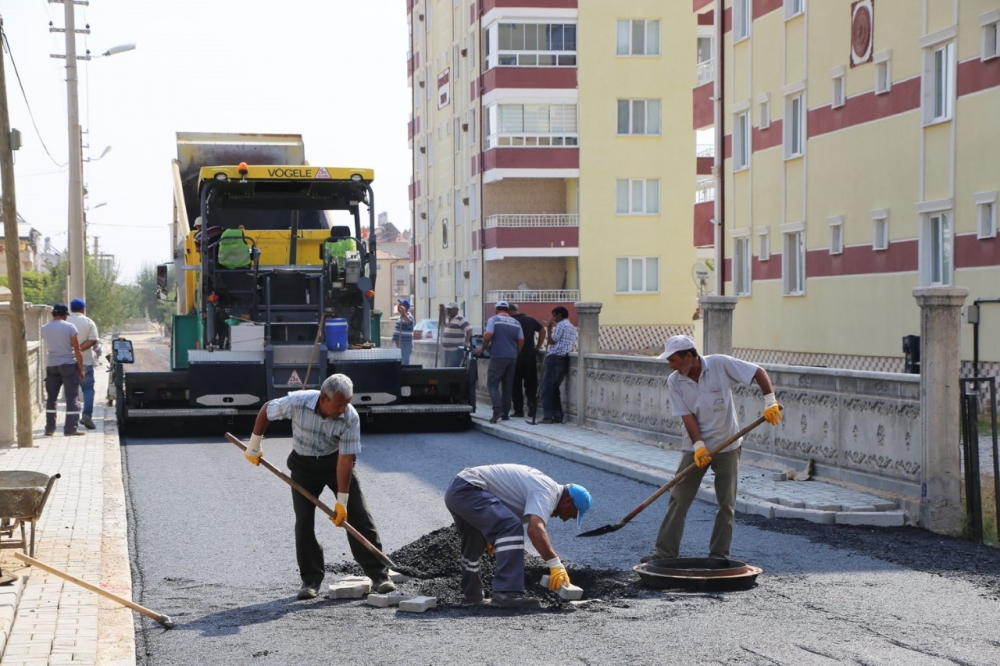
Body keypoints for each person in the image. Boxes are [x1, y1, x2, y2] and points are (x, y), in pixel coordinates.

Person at [245, 373, 396, 600]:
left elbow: (345, 460)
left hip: (335, 463)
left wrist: (341, 502)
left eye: (347, 403)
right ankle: (310, 580)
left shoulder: (350, 417)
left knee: (359, 515)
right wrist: (254, 444)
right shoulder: (298, 402)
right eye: (339, 404)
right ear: (324, 399)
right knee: (304, 522)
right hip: (303, 467)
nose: (344, 409)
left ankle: (379, 575)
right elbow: (267, 409)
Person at [644, 335, 783, 563]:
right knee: (679, 498)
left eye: (673, 360)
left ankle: (719, 556)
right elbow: (687, 416)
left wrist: (770, 401)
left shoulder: (720, 364)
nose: (671, 365)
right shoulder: (674, 381)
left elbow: (758, 371)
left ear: (689, 356)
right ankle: (665, 554)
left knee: (726, 503)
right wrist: (699, 446)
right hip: (695, 448)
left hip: (727, 445)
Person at [443, 463, 592, 608]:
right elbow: (535, 529)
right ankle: (507, 594)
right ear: (568, 501)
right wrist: (555, 565)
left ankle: (472, 596)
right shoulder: (548, 491)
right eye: (572, 515)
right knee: (511, 526)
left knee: (474, 541)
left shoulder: (544, 486)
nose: (566, 519)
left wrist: (492, 536)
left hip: (458, 490)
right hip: (470, 489)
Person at [474, 300, 523, 424]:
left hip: (498, 356)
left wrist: (483, 349)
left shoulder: (494, 320)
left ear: (497, 309)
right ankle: (505, 413)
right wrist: (516, 352)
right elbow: (521, 340)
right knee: (507, 386)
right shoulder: (516, 323)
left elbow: (488, 335)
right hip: (512, 357)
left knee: (492, 384)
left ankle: (497, 409)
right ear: (507, 310)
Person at [40, 303, 86, 436]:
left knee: (51, 398)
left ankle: (49, 428)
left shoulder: (44, 328)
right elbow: (77, 349)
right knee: (72, 397)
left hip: (52, 366)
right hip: (68, 365)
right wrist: (81, 369)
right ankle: (70, 428)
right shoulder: (70, 327)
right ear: (65, 314)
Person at [539, 306, 577, 424]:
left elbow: (551, 341)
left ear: (560, 315)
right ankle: (558, 415)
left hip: (555, 360)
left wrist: (549, 328)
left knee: (547, 389)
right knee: (554, 389)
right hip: (563, 360)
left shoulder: (561, 325)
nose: (553, 318)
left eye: (554, 315)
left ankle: (548, 416)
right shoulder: (571, 327)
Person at [508, 304, 546, 419]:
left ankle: (519, 410)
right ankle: (531, 407)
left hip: (515, 356)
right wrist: (538, 347)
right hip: (530, 356)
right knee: (531, 384)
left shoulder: (510, 321)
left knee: (515, 385)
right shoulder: (529, 319)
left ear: (508, 311)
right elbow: (543, 331)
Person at [68, 298, 100, 430]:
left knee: (72, 392)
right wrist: (79, 350)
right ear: (83, 309)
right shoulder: (88, 322)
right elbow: (93, 340)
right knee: (88, 390)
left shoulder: (65, 321)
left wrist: (74, 351)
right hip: (85, 361)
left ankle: (72, 420)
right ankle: (87, 415)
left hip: (68, 362)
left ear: (71, 309)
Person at [440, 301, 472, 367]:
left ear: (456, 310)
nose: (448, 311)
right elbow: (442, 323)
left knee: (451, 369)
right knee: (446, 369)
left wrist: (466, 341)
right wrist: (442, 311)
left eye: (450, 309)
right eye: (448, 309)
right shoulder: (449, 319)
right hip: (446, 350)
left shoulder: (460, 319)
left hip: (455, 350)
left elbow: (469, 330)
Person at [392, 299, 414, 365]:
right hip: (399, 343)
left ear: (405, 307)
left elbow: (409, 323)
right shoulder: (400, 317)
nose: (398, 305)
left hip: (405, 343)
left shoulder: (409, 316)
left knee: (404, 361)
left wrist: (404, 313)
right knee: (399, 362)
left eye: (400, 304)